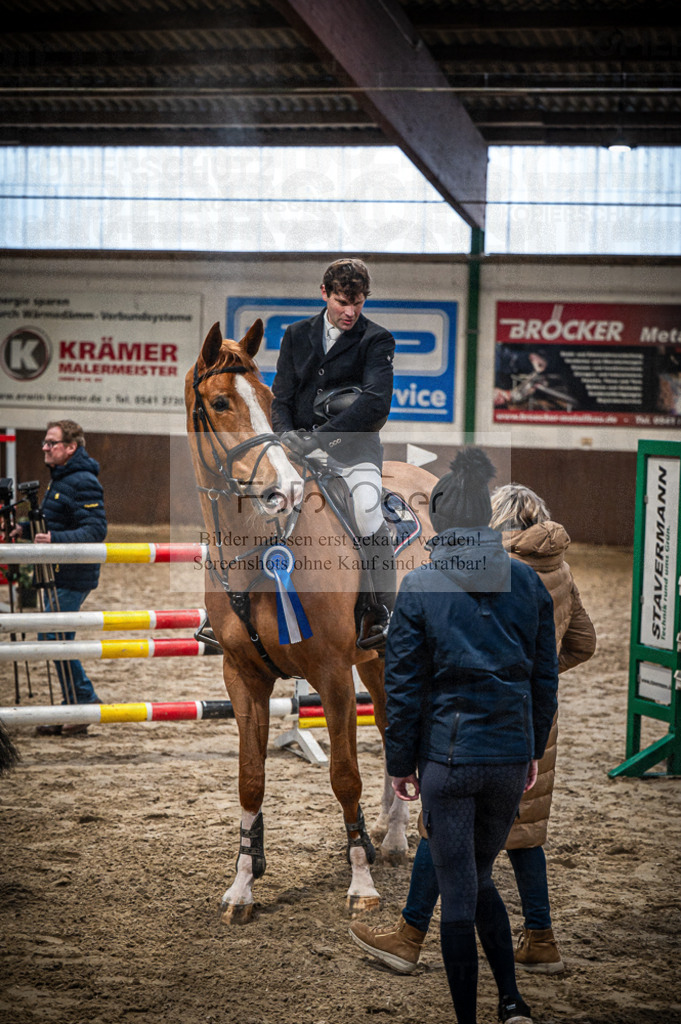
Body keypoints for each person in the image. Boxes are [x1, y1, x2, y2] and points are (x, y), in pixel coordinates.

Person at [349, 480, 596, 987]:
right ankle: (542, 940)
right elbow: (583, 643)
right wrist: (530, 680)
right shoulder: (560, 570)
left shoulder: (499, 571)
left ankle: (410, 935)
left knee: (437, 832)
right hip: (533, 725)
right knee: (525, 837)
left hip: (473, 728)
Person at [271, 258, 395, 649]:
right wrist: (286, 437)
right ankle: (233, 602)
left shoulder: (376, 340)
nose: (350, 312)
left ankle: (380, 611)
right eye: (342, 301)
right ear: (324, 293)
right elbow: (282, 397)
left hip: (354, 452)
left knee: (367, 511)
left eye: (358, 303)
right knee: (257, 505)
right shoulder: (296, 334)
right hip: (297, 451)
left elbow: (375, 405)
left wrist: (320, 439)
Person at [10, 420, 107, 735]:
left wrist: (55, 540)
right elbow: (54, 521)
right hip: (58, 571)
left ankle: (84, 700)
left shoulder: (82, 481)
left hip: (72, 574)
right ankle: (75, 705)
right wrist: (23, 530)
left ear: (70, 448)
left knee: (53, 639)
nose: (45, 447)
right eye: (45, 442)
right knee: (55, 639)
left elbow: (95, 530)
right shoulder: (62, 478)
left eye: (52, 442)